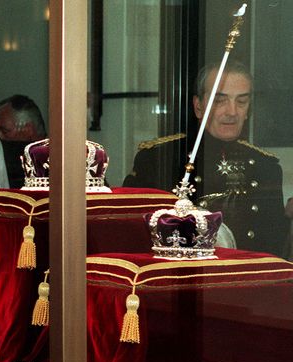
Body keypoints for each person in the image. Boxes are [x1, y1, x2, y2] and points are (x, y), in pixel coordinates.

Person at [123, 61, 288, 256]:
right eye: (220, 101)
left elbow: (274, 247)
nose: (232, 112)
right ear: (198, 106)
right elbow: (133, 236)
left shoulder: (266, 167)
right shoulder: (159, 159)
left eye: (241, 102)